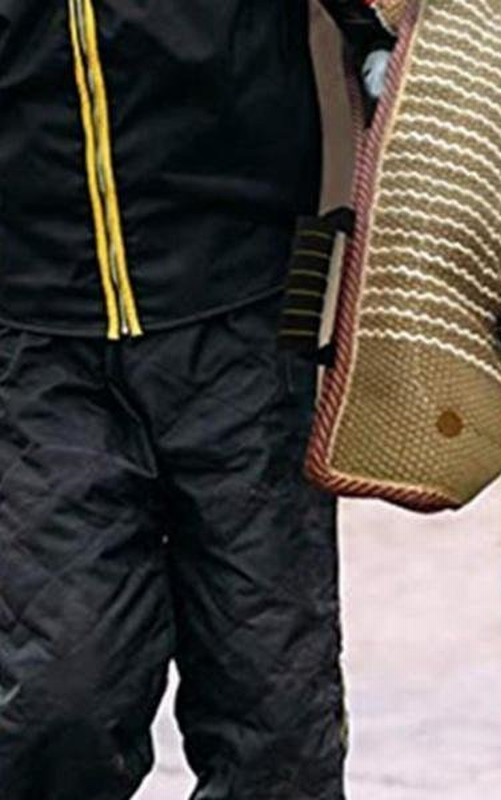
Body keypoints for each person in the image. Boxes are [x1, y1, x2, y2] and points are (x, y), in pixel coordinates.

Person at [0, 2, 394, 798]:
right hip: (31, 338)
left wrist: (395, 48)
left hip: (244, 307)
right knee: (56, 711)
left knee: (277, 726)